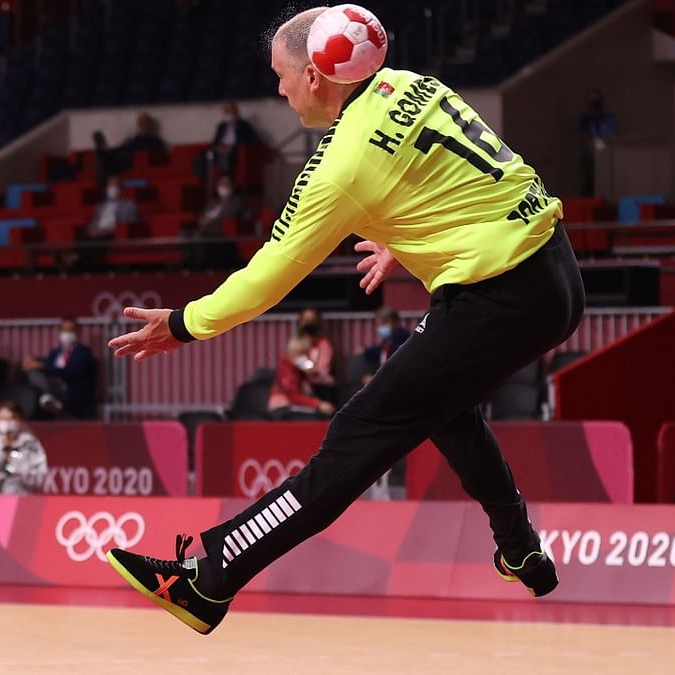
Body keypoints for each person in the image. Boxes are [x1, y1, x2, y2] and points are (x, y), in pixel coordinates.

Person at [104, 6, 584, 636]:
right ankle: (520, 548)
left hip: (499, 296)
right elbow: (467, 173)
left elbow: (269, 275)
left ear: (313, 73)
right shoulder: (411, 84)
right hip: (554, 270)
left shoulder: (342, 166)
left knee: (358, 434)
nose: (276, 89)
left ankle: (211, 577)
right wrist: (407, 240)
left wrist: (186, 323)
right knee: (444, 407)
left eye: (280, 75)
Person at [22, 318, 98, 419]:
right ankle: (51, 399)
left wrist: (42, 366)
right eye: (64, 330)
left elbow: (71, 372)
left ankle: (53, 401)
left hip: (72, 391)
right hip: (52, 387)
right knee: (32, 372)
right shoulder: (55, 353)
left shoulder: (84, 353)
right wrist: (31, 364)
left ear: (78, 332)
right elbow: (47, 367)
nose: (67, 334)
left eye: (71, 330)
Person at [0, 402, 48, 496]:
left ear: (19, 420)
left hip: (22, 500)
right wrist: (1, 454)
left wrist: (17, 465)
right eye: (2, 419)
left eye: (10, 418)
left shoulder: (30, 445)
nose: (6, 423)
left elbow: (39, 480)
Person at [268, 336, 335, 419]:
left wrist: (313, 374)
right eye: (299, 353)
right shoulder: (286, 369)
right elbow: (293, 397)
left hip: (297, 406)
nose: (302, 357)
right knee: (318, 416)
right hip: (283, 408)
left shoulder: (301, 370)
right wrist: (318, 404)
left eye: (305, 353)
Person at [92, 112, 167, 183]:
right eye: (140, 123)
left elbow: (159, 155)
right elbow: (122, 147)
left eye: (145, 123)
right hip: (125, 158)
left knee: (116, 157)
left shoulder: (155, 140)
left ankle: (104, 155)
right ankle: (103, 152)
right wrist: (108, 151)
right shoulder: (135, 138)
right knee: (103, 156)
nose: (142, 125)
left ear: (149, 124)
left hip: (135, 161)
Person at [196, 102, 262, 181]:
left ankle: (226, 181)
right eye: (226, 111)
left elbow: (253, 140)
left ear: (236, 112)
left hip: (234, 151)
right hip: (219, 150)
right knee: (201, 156)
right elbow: (215, 141)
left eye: (230, 111)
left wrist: (232, 146)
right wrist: (218, 147)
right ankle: (203, 182)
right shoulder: (222, 126)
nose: (228, 113)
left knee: (225, 155)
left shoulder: (244, 125)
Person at [577, 89, 616, 197]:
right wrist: (592, 149)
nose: (594, 104)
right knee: (590, 182)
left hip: (605, 157)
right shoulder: (585, 121)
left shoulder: (608, 119)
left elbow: (611, 137)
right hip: (589, 157)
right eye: (592, 101)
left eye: (596, 100)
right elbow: (584, 137)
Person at [360, 306, 411, 384]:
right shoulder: (389, 339)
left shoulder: (402, 339)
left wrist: (375, 379)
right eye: (378, 325)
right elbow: (381, 350)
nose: (380, 328)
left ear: (395, 322)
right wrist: (365, 351)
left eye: (383, 324)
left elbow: (394, 363)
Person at [294, 307, 335, 402]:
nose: (309, 324)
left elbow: (322, 371)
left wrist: (310, 370)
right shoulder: (294, 344)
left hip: (317, 390)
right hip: (295, 389)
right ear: (300, 322)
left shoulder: (324, 344)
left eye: (312, 321)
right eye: (306, 320)